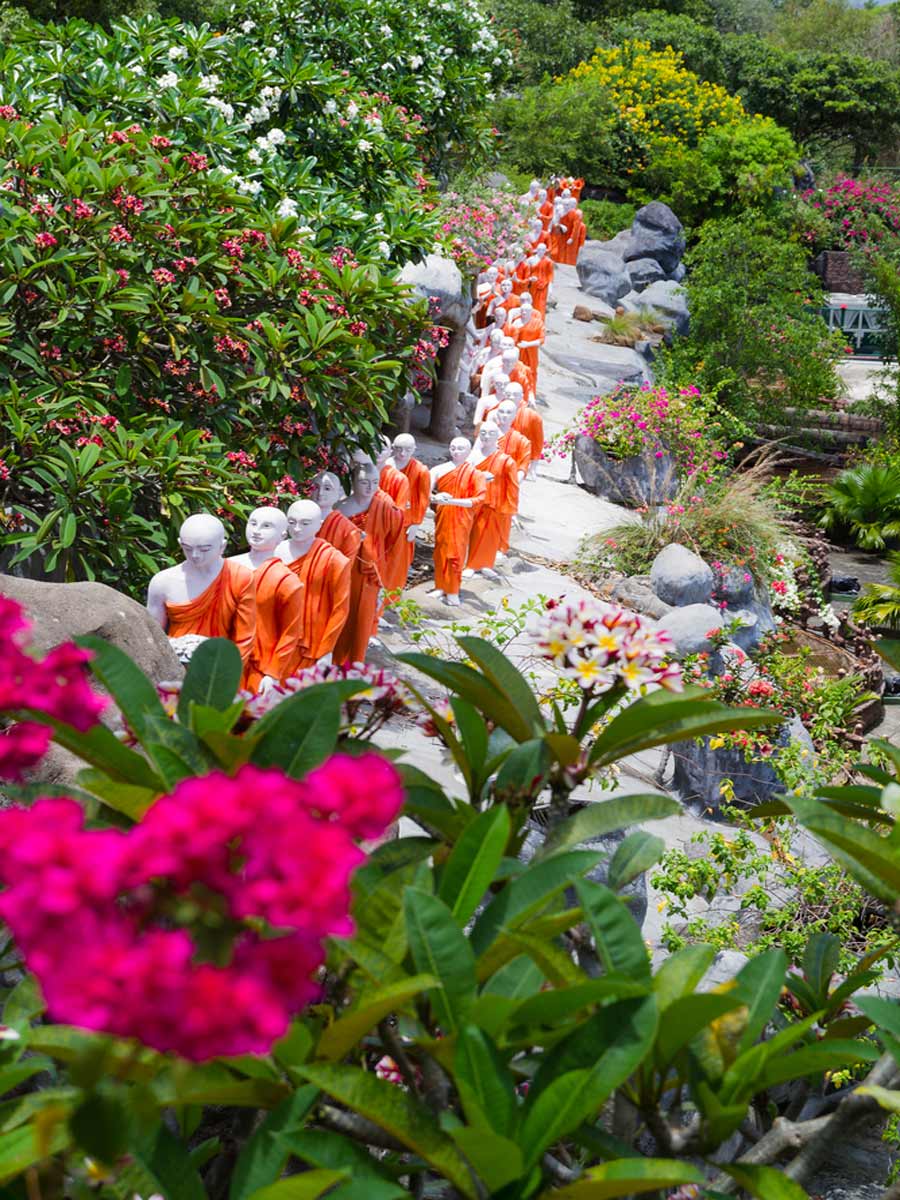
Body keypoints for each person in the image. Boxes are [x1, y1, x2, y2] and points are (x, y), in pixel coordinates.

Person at [146, 512, 255, 664]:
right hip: (174, 666)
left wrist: (228, 671)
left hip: (220, 666)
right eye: (187, 548)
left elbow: (245, 637)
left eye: (204, 549)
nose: (195, 555)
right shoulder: (163, 581)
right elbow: (153, 636)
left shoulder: (240, 577)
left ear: (222, 547)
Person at [229, 506, 303, 692]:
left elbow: (290, 632)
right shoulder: (227, 566)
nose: (256, 530)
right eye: (253, 523)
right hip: (223, 655)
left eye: (266, 526)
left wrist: (273, 672)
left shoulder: (287, 581)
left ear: (282, 535)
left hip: (259, 664)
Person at [276, 500, 351, 669]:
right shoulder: (274, 550)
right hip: (274, 630)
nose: (296, 528)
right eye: (292, 522)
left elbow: (340, 608)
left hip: (309, 638)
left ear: (319, 525)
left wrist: (327, 649)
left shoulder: (334, 560)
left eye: (305, 523)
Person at [429, 437, 486, 606]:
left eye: (460, 448)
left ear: (469, 451)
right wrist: (436, 497)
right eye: (453, 447)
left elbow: (479, 498)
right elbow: (426, 493)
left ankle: (453, 589)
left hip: (462, 518)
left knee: (456, 554)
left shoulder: (476, 474)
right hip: (443, 516)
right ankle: (440, 586)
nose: (456, 451)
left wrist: (454, 502)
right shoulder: (439, 470)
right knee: (440, 551)